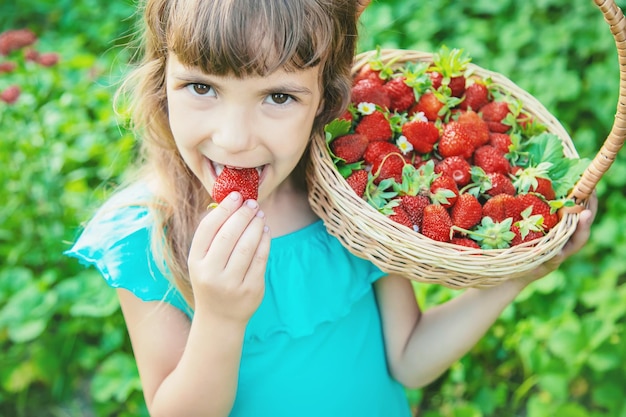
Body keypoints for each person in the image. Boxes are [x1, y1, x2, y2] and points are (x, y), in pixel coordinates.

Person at [65, 0, 597, 416]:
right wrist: (221, 318)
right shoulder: (146, 236)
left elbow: (409, 358)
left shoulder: (350, 206)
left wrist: (519, 276)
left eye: (278, 97)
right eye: (202, 87)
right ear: (161, 84)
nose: (233, 140)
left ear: (326, 99)